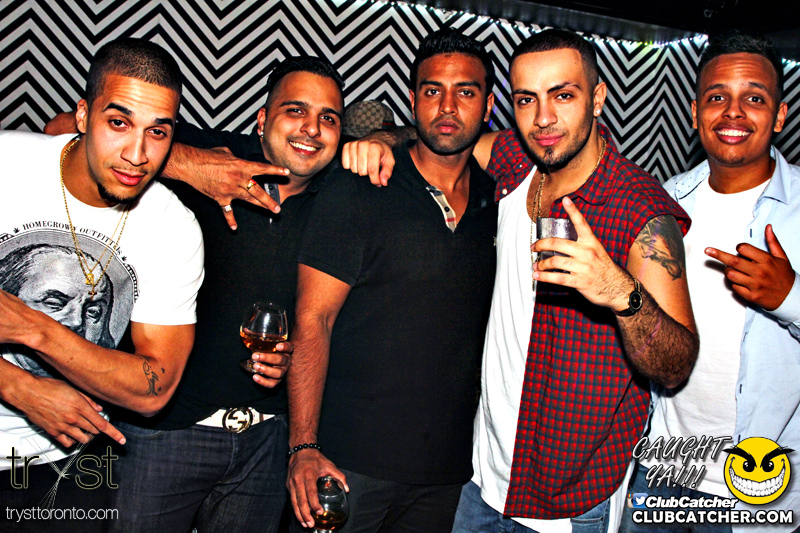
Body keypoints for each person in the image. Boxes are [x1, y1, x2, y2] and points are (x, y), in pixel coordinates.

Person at [343, 29, 699, 532]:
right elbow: (446, 133)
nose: (543, 118)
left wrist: (620, 292)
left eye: (563, 95)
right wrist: (381, 140)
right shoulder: (514, 161)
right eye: (526, 99)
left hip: (570, 502)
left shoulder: (641, 212)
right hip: (481, 481)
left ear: (597, 97)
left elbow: (676, 365)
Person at [102, 56, 344, 533]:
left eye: (329, 118)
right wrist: (190, 164)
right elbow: (66, 129)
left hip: (266, 443)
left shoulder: (341, 194)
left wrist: (381, 143)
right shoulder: (216, 155)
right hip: (163, 433)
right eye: (295, 110)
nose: (312, 129)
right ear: (262, 119)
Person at [287, 29, 498, 533]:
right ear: (412, 100)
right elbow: (313, 318)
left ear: (488, 106)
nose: (447, 106)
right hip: (346, 463)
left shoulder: (501, 200)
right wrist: (303, 446)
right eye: (432, 90)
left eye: (466, 92)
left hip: (448, 474)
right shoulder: (361, 185)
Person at [0, 38, 204, 531]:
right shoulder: (7, 165)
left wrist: (36, 329)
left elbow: (154, 388)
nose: (137, 154)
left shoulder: (172, 226)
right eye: (119, 123)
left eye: (157, 132)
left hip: (63, 462)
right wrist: (16, 385)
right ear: (83, 115)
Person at [620, 32, 799, 533]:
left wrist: (790, 297)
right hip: (662, 467)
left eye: (754, 98)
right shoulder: (662, 202)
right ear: (695, 112)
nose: (733, 111)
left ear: (780, 116)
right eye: (717, 97)